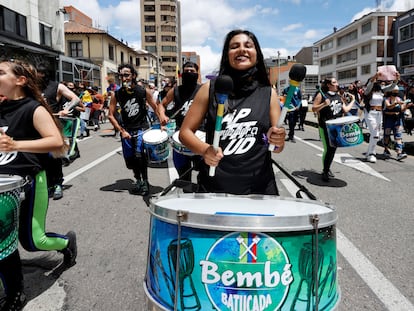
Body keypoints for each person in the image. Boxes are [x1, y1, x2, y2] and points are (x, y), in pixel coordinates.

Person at [0, 58, 77, 311]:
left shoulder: (34, 108)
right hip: (3, 185)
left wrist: (16, 145)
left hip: (30, 182)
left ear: (20, 80)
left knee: (33, 242)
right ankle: (14, 293)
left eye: (0, 72)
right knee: (2, 241)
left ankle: (66, 243)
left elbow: (58, 143)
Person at [179, 29, 286, 195]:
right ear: (226, 55)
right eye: (234, 46)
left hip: (260, 189)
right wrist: (205, 150)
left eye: (248, 46)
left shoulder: (269, 93)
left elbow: (277, 147)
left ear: (256, 54)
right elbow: (185, 133)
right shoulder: (209, 89)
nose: (242, 49)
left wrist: (278, 139)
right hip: (214, 187)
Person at [108, 63, 159, 195]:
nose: (123, 78)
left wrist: (162, 121)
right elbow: (110, 115)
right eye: (121, 76)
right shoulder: (117, 94)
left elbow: (155, 107)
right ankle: (138, 180)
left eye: (126, 75)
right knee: (130, 162)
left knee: (139, 156)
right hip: (126, 130)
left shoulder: (143, 91)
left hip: (141, 128)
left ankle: (145, 182)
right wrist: (122, 131)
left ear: (133, 76)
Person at [37, 65, 81, 200]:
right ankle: (46, 184)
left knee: (53, 156)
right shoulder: (30, 87)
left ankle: (57, 184)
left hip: (52, 125)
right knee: (39, 157)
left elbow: (75, 99)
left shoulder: (56, 86)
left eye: (38, 73)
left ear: (44, 74)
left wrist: (66, 108)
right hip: (35, 125)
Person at [158, 61, 202, 181]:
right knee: (183, 176)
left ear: (197, 73)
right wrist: (162, 115)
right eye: (186, 71)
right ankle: (187, 195)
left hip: (201, 135)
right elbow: (162, 105)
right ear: (182, 74)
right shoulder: (176, 90)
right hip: (180, 136)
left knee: (204, 175)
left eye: (192, 71)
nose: (189, 73)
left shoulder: (204, 90)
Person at [312, 77, 353, 181]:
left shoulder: (339, 96)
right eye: (334, 82)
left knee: (333, 149)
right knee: (329, 149)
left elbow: (345, 109)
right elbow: (313, 108)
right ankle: (325, 171)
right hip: (326, 126)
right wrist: (323, 104)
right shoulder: (321, 95)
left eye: (336, 82)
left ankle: (327, 168)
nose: (337, 84)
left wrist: (353, 101)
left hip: (336, 126)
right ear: (328, 85)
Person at [363, 71, 399, 163]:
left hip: (379, 114)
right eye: (378, 81)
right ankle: (372, 154)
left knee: (376, 135)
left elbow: (391, 86)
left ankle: (369, 152)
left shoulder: (381, 91)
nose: (379, 83)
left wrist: (396, 78)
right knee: (375, 134)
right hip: (371, 113)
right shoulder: (368, 91)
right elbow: (370, 84)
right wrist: (375, 76)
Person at [383, 85, 412, 160]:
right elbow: (388, 107)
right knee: (387, 135)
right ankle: (386, 149)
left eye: (397, 92)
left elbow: (402, 109)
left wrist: (406, 106)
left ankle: (399, 152)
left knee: (398, 137)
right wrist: (396, 103)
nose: (396, 93)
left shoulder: (399, 99)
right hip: (388, 120)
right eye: (394, 92)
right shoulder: (386, 99)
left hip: (397, 120)